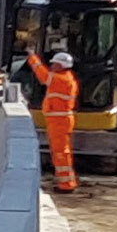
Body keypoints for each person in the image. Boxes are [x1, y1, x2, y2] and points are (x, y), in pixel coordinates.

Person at [26, 49, 80, 192]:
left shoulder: (60, 79)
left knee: (61, 152)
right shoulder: (65, 78)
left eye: (55, 64)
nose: (52, 66)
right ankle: (65, 182)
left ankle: (67, 184)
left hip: (59, 120)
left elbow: (42, 75)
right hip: (59, 119)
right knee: (60, 152)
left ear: (61, 65)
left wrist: (32, 58)